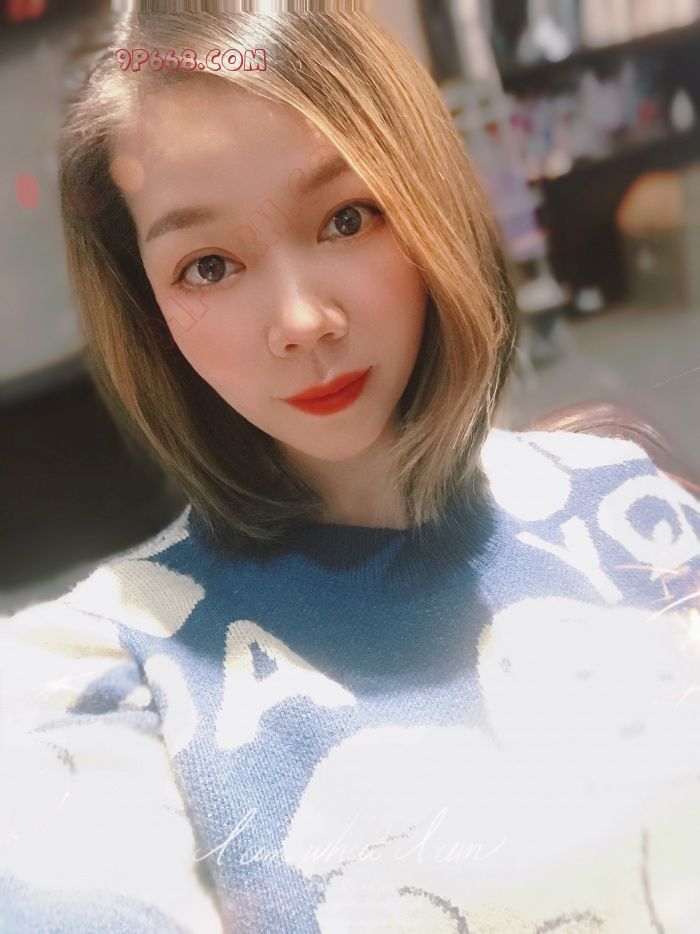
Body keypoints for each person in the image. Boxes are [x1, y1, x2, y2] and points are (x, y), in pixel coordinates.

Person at [1, 8, 700, 932]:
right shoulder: (104, 668)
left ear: (424, 194)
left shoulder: (626, 499)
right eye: (208, 266)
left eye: (345, 217)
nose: (301, 320)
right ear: (148, 310)